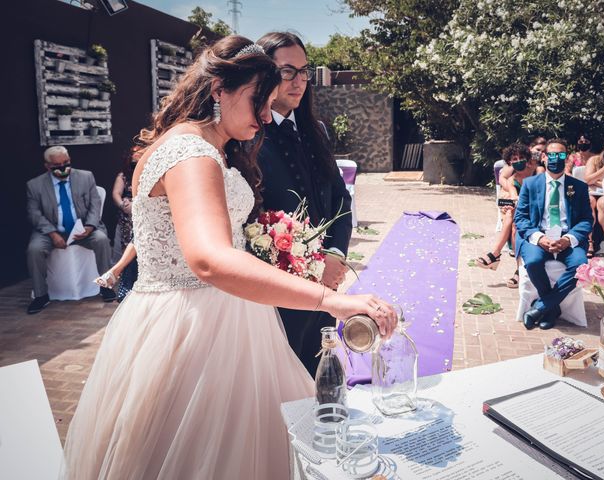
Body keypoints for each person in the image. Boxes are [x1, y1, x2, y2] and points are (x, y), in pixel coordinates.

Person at [62, 36, 397, 479]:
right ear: (219, 88)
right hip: (194, 328)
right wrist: (331, 301)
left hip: (225, 315)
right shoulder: (192, 153)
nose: (265, 114)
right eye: (259, 99)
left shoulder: (202, 145)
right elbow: (211, 259)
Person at [256, 32, 353, 375]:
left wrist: (336, 254)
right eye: (287, 71)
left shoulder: (318, 130)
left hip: (326, 282)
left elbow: (341, 199)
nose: (298, 81)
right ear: (265, 74)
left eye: (304, 71)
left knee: (319, 372)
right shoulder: (248, 136)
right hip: (278, 292)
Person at [25, 146, 115, 314]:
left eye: (66, 162)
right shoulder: (35, 185)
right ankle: (41, 295)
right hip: (50, 231)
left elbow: (95, 205)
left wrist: (89, 226)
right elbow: (34, 214)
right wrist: (52, 234)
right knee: (34, 249)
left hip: (82, 229)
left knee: (101, 239)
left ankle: (106, 286)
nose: (63, 167)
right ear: (47, 166)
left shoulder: (85, 177)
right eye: (57, 164)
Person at [514, 138, 592, 330]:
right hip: (539, 236)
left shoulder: (579, 187)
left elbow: (586, 220)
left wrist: (568, 239)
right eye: (552, 155)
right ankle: (552, 309)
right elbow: (521, 218)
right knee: (532, 262)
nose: (556, 159)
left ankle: (541, 307)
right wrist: (539, 238)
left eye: (561, 155)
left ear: (567, 158)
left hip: (568, 237)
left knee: (580, 266)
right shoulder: (530, 184)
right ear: (544, 157)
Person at [476, 142, 537, 288]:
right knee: (513, 220)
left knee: (512, 216)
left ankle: (496, 254)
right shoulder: (511, 180)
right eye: (514, 159)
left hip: (538, 211)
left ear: (527, 159)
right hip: (521, 214)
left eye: (521, 157)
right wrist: (510, 202)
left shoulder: (537, 172)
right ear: (509, 162)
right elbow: (514, 197)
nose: (518, 161)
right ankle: (519, 270)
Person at [111, 146, 140, 262]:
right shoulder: (123, 176)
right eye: (134, 163)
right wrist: (123, 205)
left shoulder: (148, 175)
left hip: (142, 208)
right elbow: (116, 193)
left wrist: (136, 205)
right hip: (126, 211)